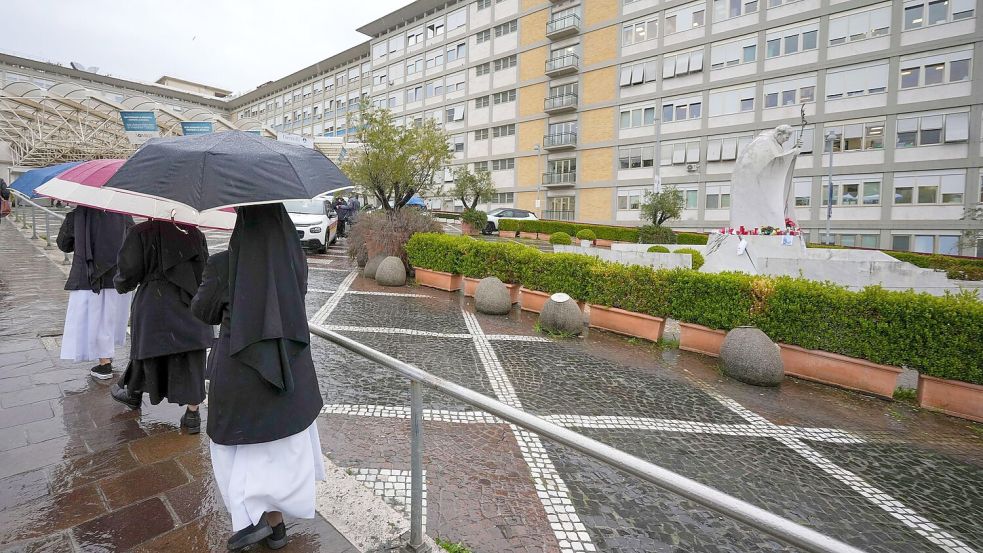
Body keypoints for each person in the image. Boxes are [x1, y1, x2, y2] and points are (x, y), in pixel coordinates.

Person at [192, 204, 324, 551]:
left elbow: (202, 311)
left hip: (240, 373)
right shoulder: (295, 262)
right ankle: (276, 529)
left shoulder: (223, 265)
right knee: (279, 447)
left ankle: (252, 519)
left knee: (239, 446)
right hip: (290, 371)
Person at [109, 220, 214, 433]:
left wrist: (121, 284)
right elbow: (204, 269)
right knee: (192, 357)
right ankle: (192, 415)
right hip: (190, 302)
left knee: (145, 350)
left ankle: (133, 392)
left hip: (153, 303)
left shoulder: (139, 232)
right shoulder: (194, 233)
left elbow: (127, 274)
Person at [56, 206, 134, 379]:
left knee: (93, 319)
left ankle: (104, 362)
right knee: (110, 319)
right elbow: (132, 242)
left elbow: (64, 245)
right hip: (117, 275)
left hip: (88, 276)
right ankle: (106, 357)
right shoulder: (123, 213)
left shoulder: (77, 215)